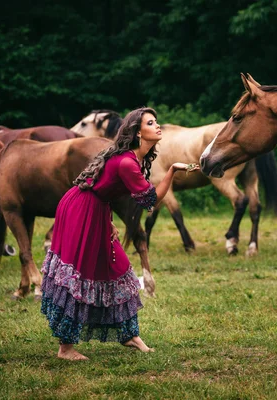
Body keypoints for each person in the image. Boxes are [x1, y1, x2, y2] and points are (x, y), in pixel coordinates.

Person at [40, 107, 198, 360]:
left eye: (156, 122)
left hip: (96, 208)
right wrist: (172, 171)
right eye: (151, 122)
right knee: (81, 273)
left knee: (118, 268)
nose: (158, 126)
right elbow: (150, 200)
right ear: (138, 132)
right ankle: (65, 348)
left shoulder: (131, 158)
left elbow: (104, 189)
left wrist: (107, 219)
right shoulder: (127, 162)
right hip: (81, 210)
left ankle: (129, 335)